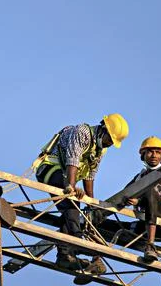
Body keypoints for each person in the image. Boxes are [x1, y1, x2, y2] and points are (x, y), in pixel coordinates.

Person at [33, 113, 129, 273]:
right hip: (51, 169)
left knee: (71, 213)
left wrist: (90, 203)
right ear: (103, 129)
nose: (109, 144)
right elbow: (73, 158)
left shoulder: (100, 150)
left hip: (66, 177)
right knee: (72, 203)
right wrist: (70, 186)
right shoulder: (82, 132)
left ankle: (64, 256)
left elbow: (91, 174)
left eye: (112, 143)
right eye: (109, 140)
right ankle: (78, 241)